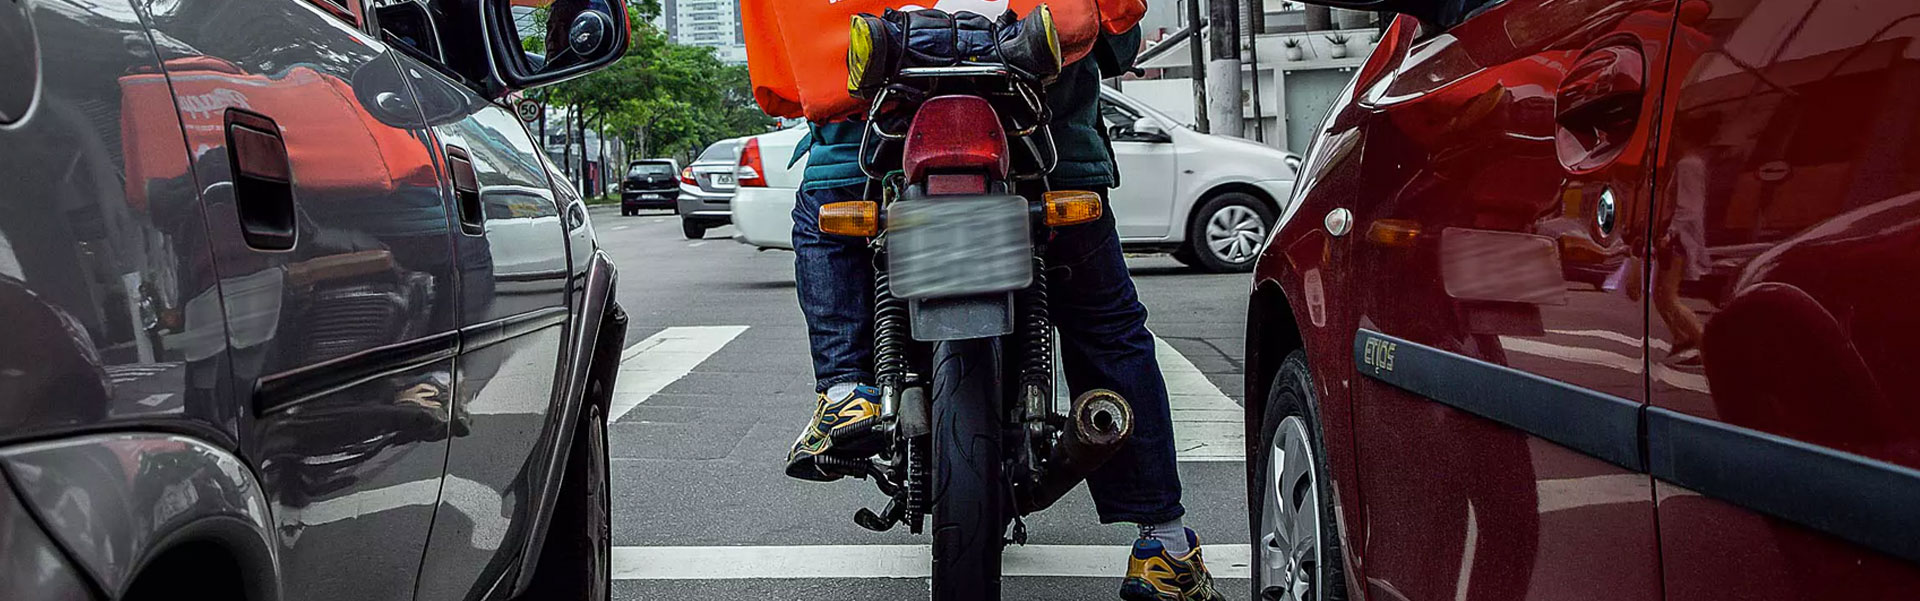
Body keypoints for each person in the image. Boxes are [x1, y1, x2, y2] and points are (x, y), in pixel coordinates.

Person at [739, 1, 1225, 599]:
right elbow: (1116, 42)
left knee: (824, 221)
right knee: (1108, 328)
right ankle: (1163, 544)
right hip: (1051, 154)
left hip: (865, 158)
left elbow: (791, 72)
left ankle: (845, 392)